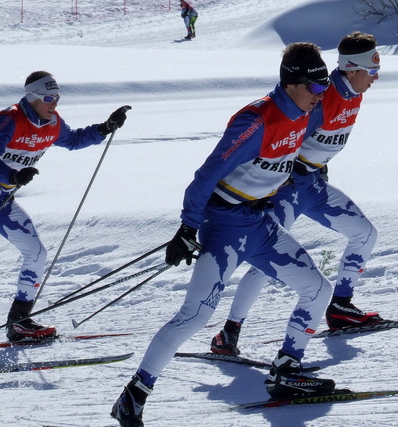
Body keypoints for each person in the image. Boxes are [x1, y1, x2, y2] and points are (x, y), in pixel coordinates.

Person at [111, 42, 335, 426]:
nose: (321, 95)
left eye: (324, 87)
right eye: (315, 88)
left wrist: (301, 174)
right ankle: (134, 395)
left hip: (260, 224)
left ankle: (286, 370)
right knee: (196, 314)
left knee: (319, 289)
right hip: (225, 225)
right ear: (292, 82)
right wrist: (187, 227)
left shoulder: (307, 114)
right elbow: (207, 175)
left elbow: (290, 156)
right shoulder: (256, 120)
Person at [210, 32, 382, 355]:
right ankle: (229, 332)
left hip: (313, 186)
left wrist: (320, 166)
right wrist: (270, 182)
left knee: (365, 234)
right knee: (264, 263)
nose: (375, 78)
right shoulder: (322, 97)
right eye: (371, 71)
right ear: (351, 70)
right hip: (288, 190)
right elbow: (287, 136)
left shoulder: (354, 94)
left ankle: (341, 306)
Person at [0, 70, 131, 342]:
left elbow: (74, 140)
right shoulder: (9, 119)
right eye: (48, 97)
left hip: (2, 197)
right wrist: (12, 176)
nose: (54, 103)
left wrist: (105, 127)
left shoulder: (52, 122)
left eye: (57, 97)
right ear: (32, 98)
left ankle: (19, 323)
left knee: (36, 253)